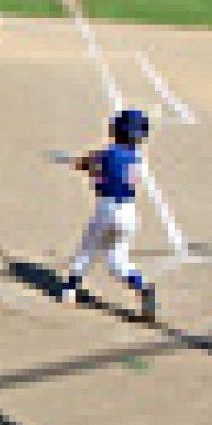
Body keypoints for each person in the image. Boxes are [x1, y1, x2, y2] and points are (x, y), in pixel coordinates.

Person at [58, 108, 158, 320]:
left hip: (107, 210)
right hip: (129, 214)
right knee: (117, 262)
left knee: (87, 250)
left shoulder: (108, 154)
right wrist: (87, 165)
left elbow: (91, 164)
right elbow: (98, 166)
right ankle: (142, 286)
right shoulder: (137, 157)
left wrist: (79, 163)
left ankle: (68, 291)